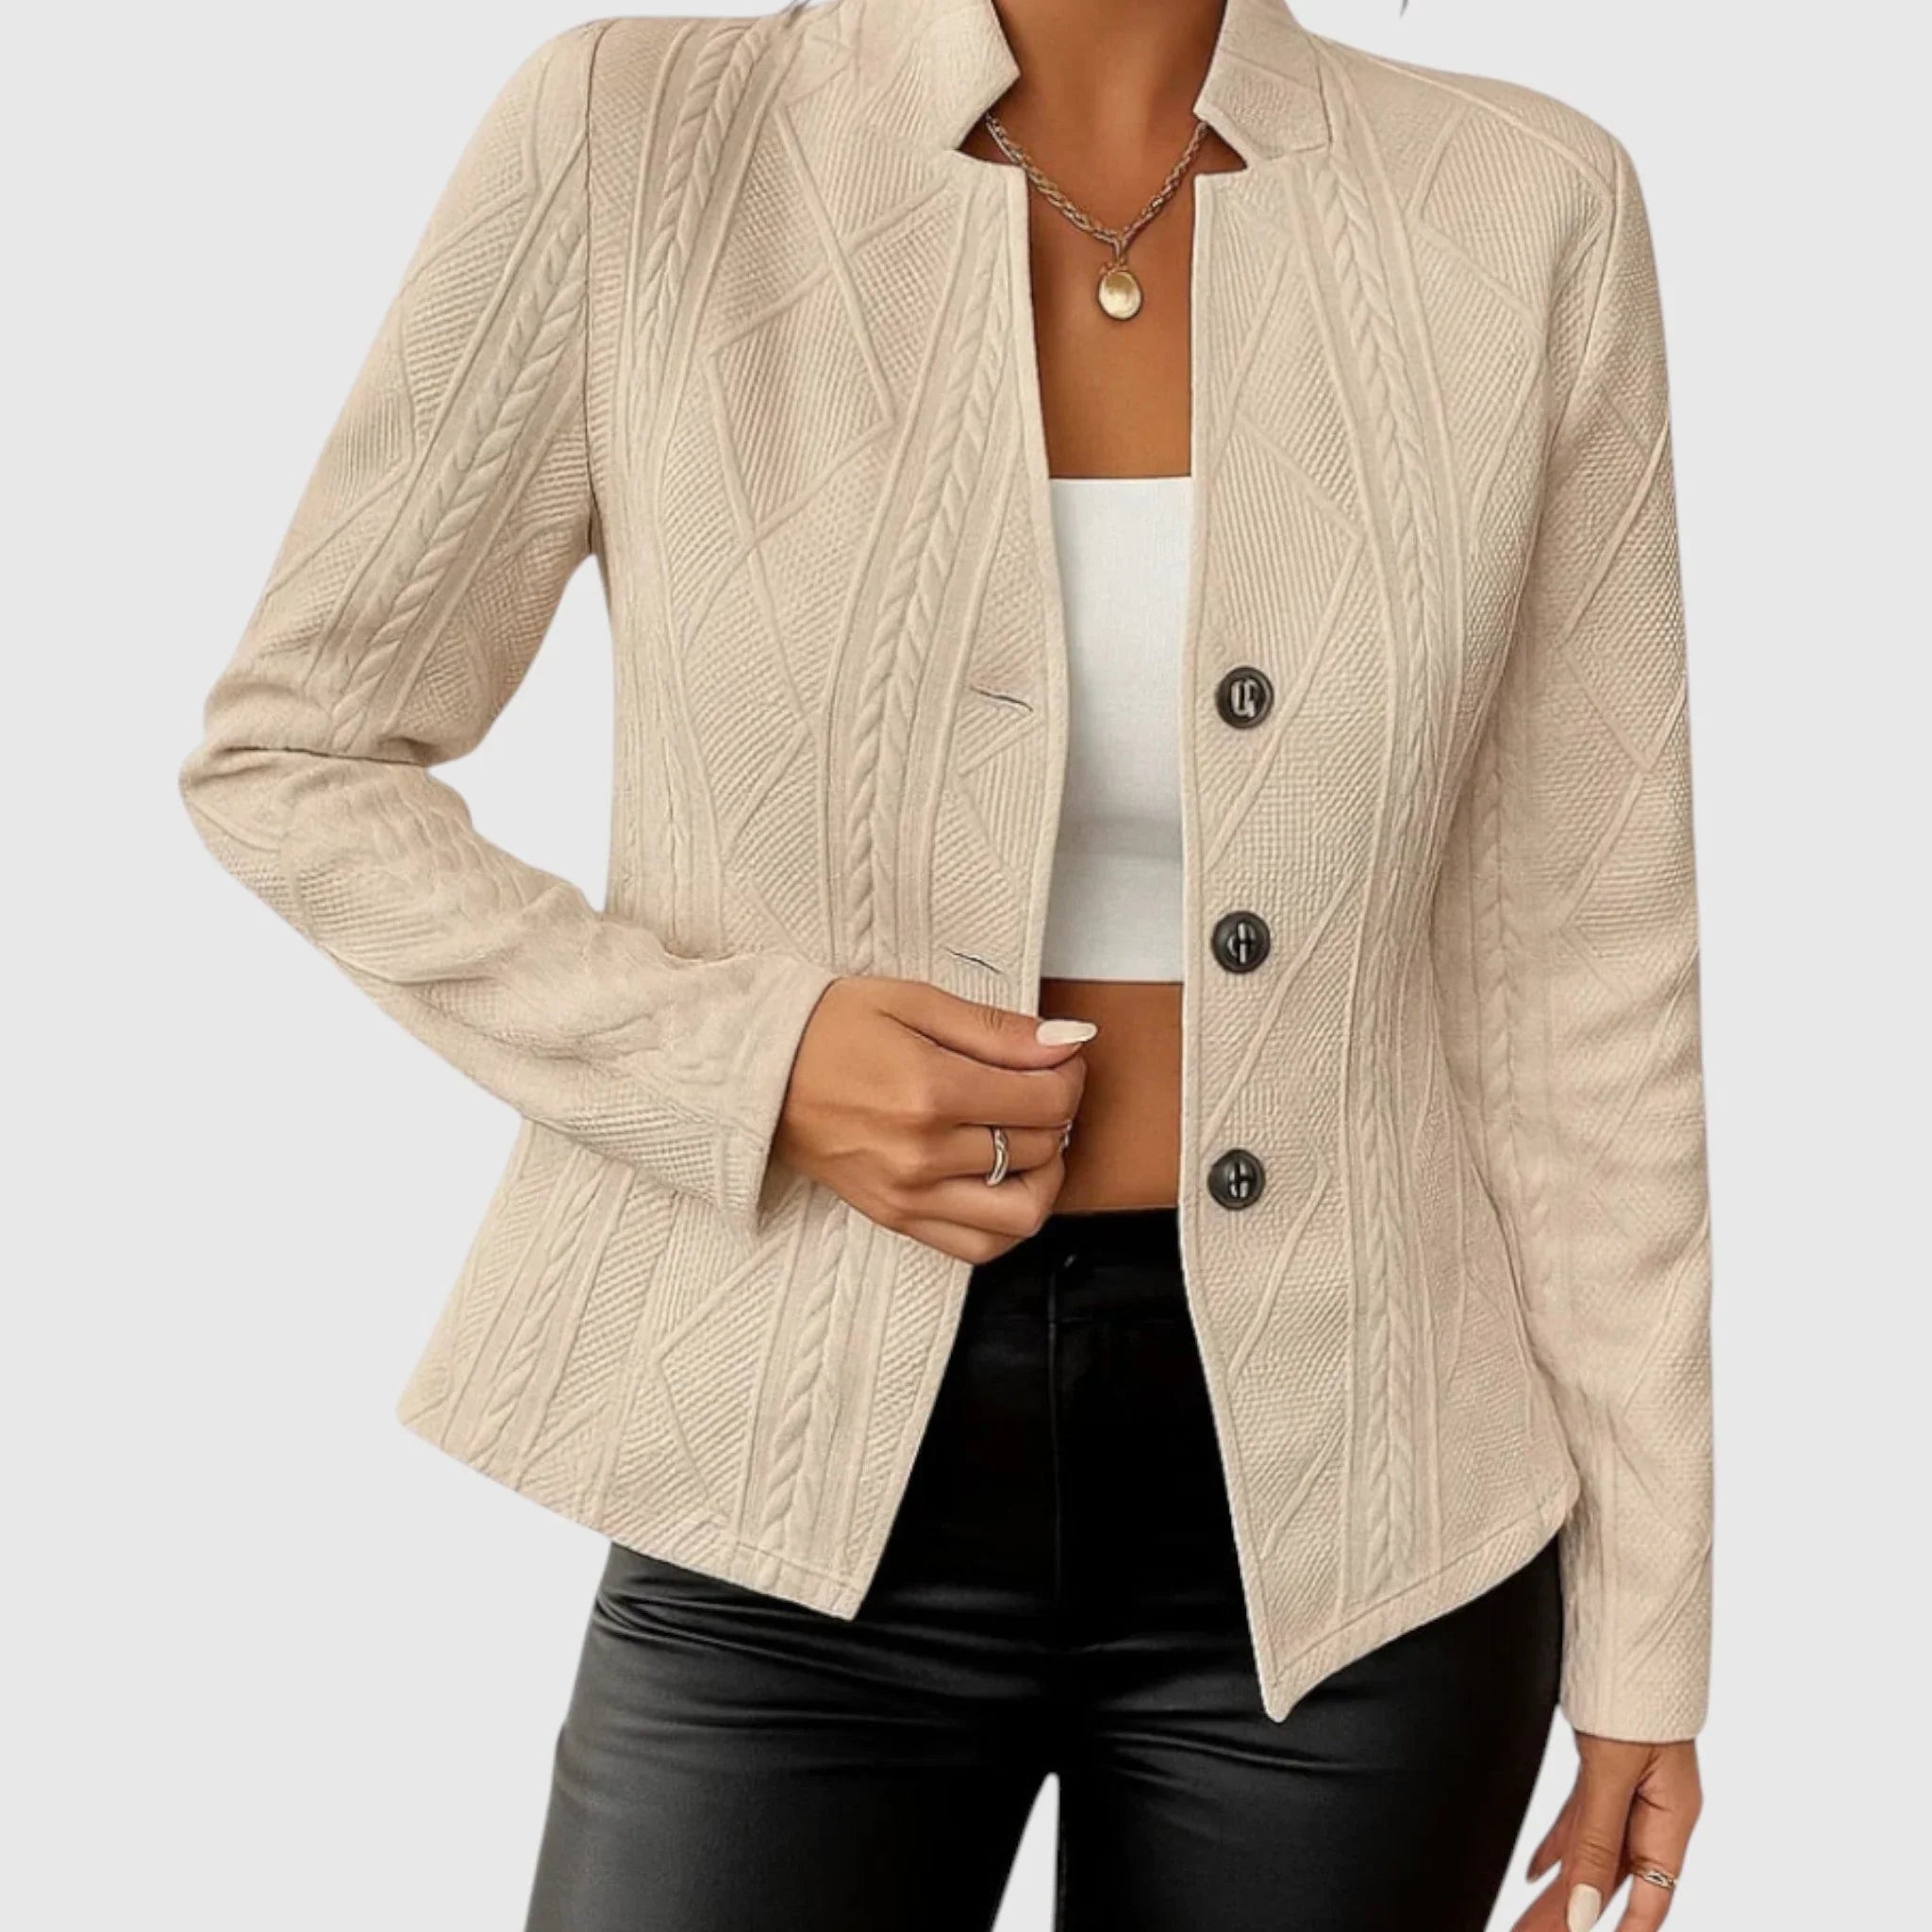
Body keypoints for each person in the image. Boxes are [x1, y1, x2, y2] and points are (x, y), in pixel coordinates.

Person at [177, 1, 1714, 1926]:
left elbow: (1585, 967)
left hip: (1366, 1523)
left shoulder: (1524, 201)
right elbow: (297, 757)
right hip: (782, 1480)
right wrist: (748, 1059)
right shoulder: (637, 135)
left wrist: (1647, 1623)